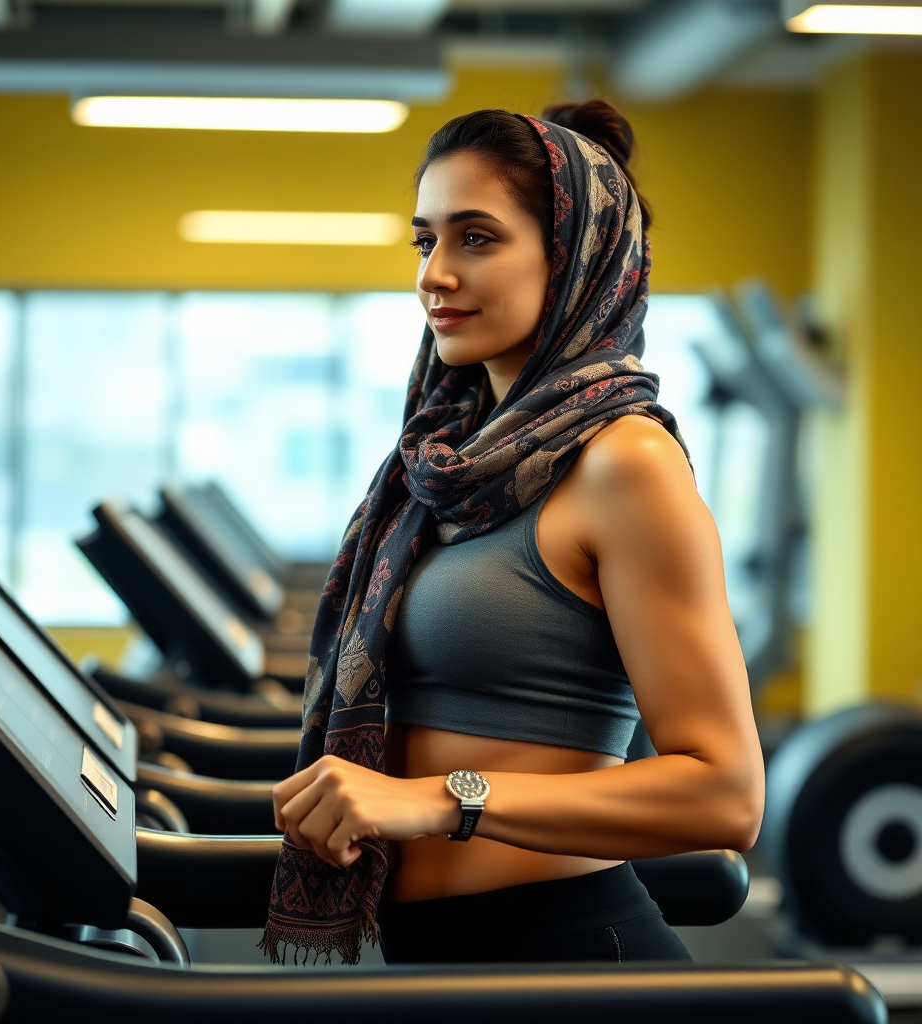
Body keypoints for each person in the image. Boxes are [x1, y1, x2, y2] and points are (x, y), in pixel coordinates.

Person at [260, 100, 764, 966]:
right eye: (426, 241)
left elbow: (725, 794)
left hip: (566, 955)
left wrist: (438, 800)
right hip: (444, 959)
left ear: (570, 260)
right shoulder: (444, 463)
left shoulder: (624, 463)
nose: (435, 275)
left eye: (477, 238)